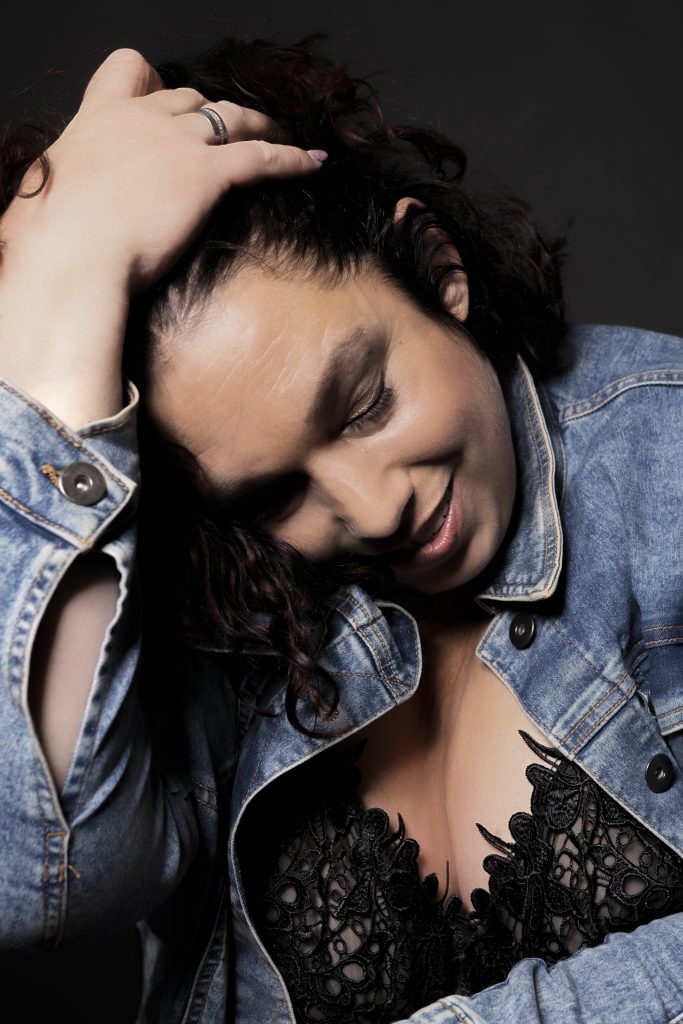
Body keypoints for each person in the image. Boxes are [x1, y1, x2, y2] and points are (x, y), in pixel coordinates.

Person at [0, 33, 682, 1024]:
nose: (371, 508)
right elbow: (40, 888)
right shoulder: (215, 607)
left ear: (434, 268)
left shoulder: (664, 455)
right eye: (277, 492)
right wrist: (47, 344)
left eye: (365, 405)